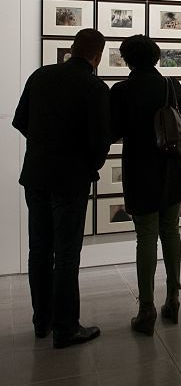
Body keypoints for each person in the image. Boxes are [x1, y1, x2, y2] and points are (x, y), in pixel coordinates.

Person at [12, 28, 110, 348]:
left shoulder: (40, 76)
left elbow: (20, 121)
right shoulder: (94, 87)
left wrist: (44, 147)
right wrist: (87, 164)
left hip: (36, 175)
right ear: (97, 56)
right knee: (67, 254)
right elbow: (99, 142)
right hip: (70, 179)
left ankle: (42, 321)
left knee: (39, 250)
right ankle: (66, 328)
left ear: (71, 48)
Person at [110, 35, 181, 335]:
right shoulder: (170, 86)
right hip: (170, 167)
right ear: (157, 57)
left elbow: (112, 131)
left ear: (127, 59)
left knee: (145, 236)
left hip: (139, 169)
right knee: (171, 231)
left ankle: (146, 307)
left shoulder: (121, 90)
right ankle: (173, 297)